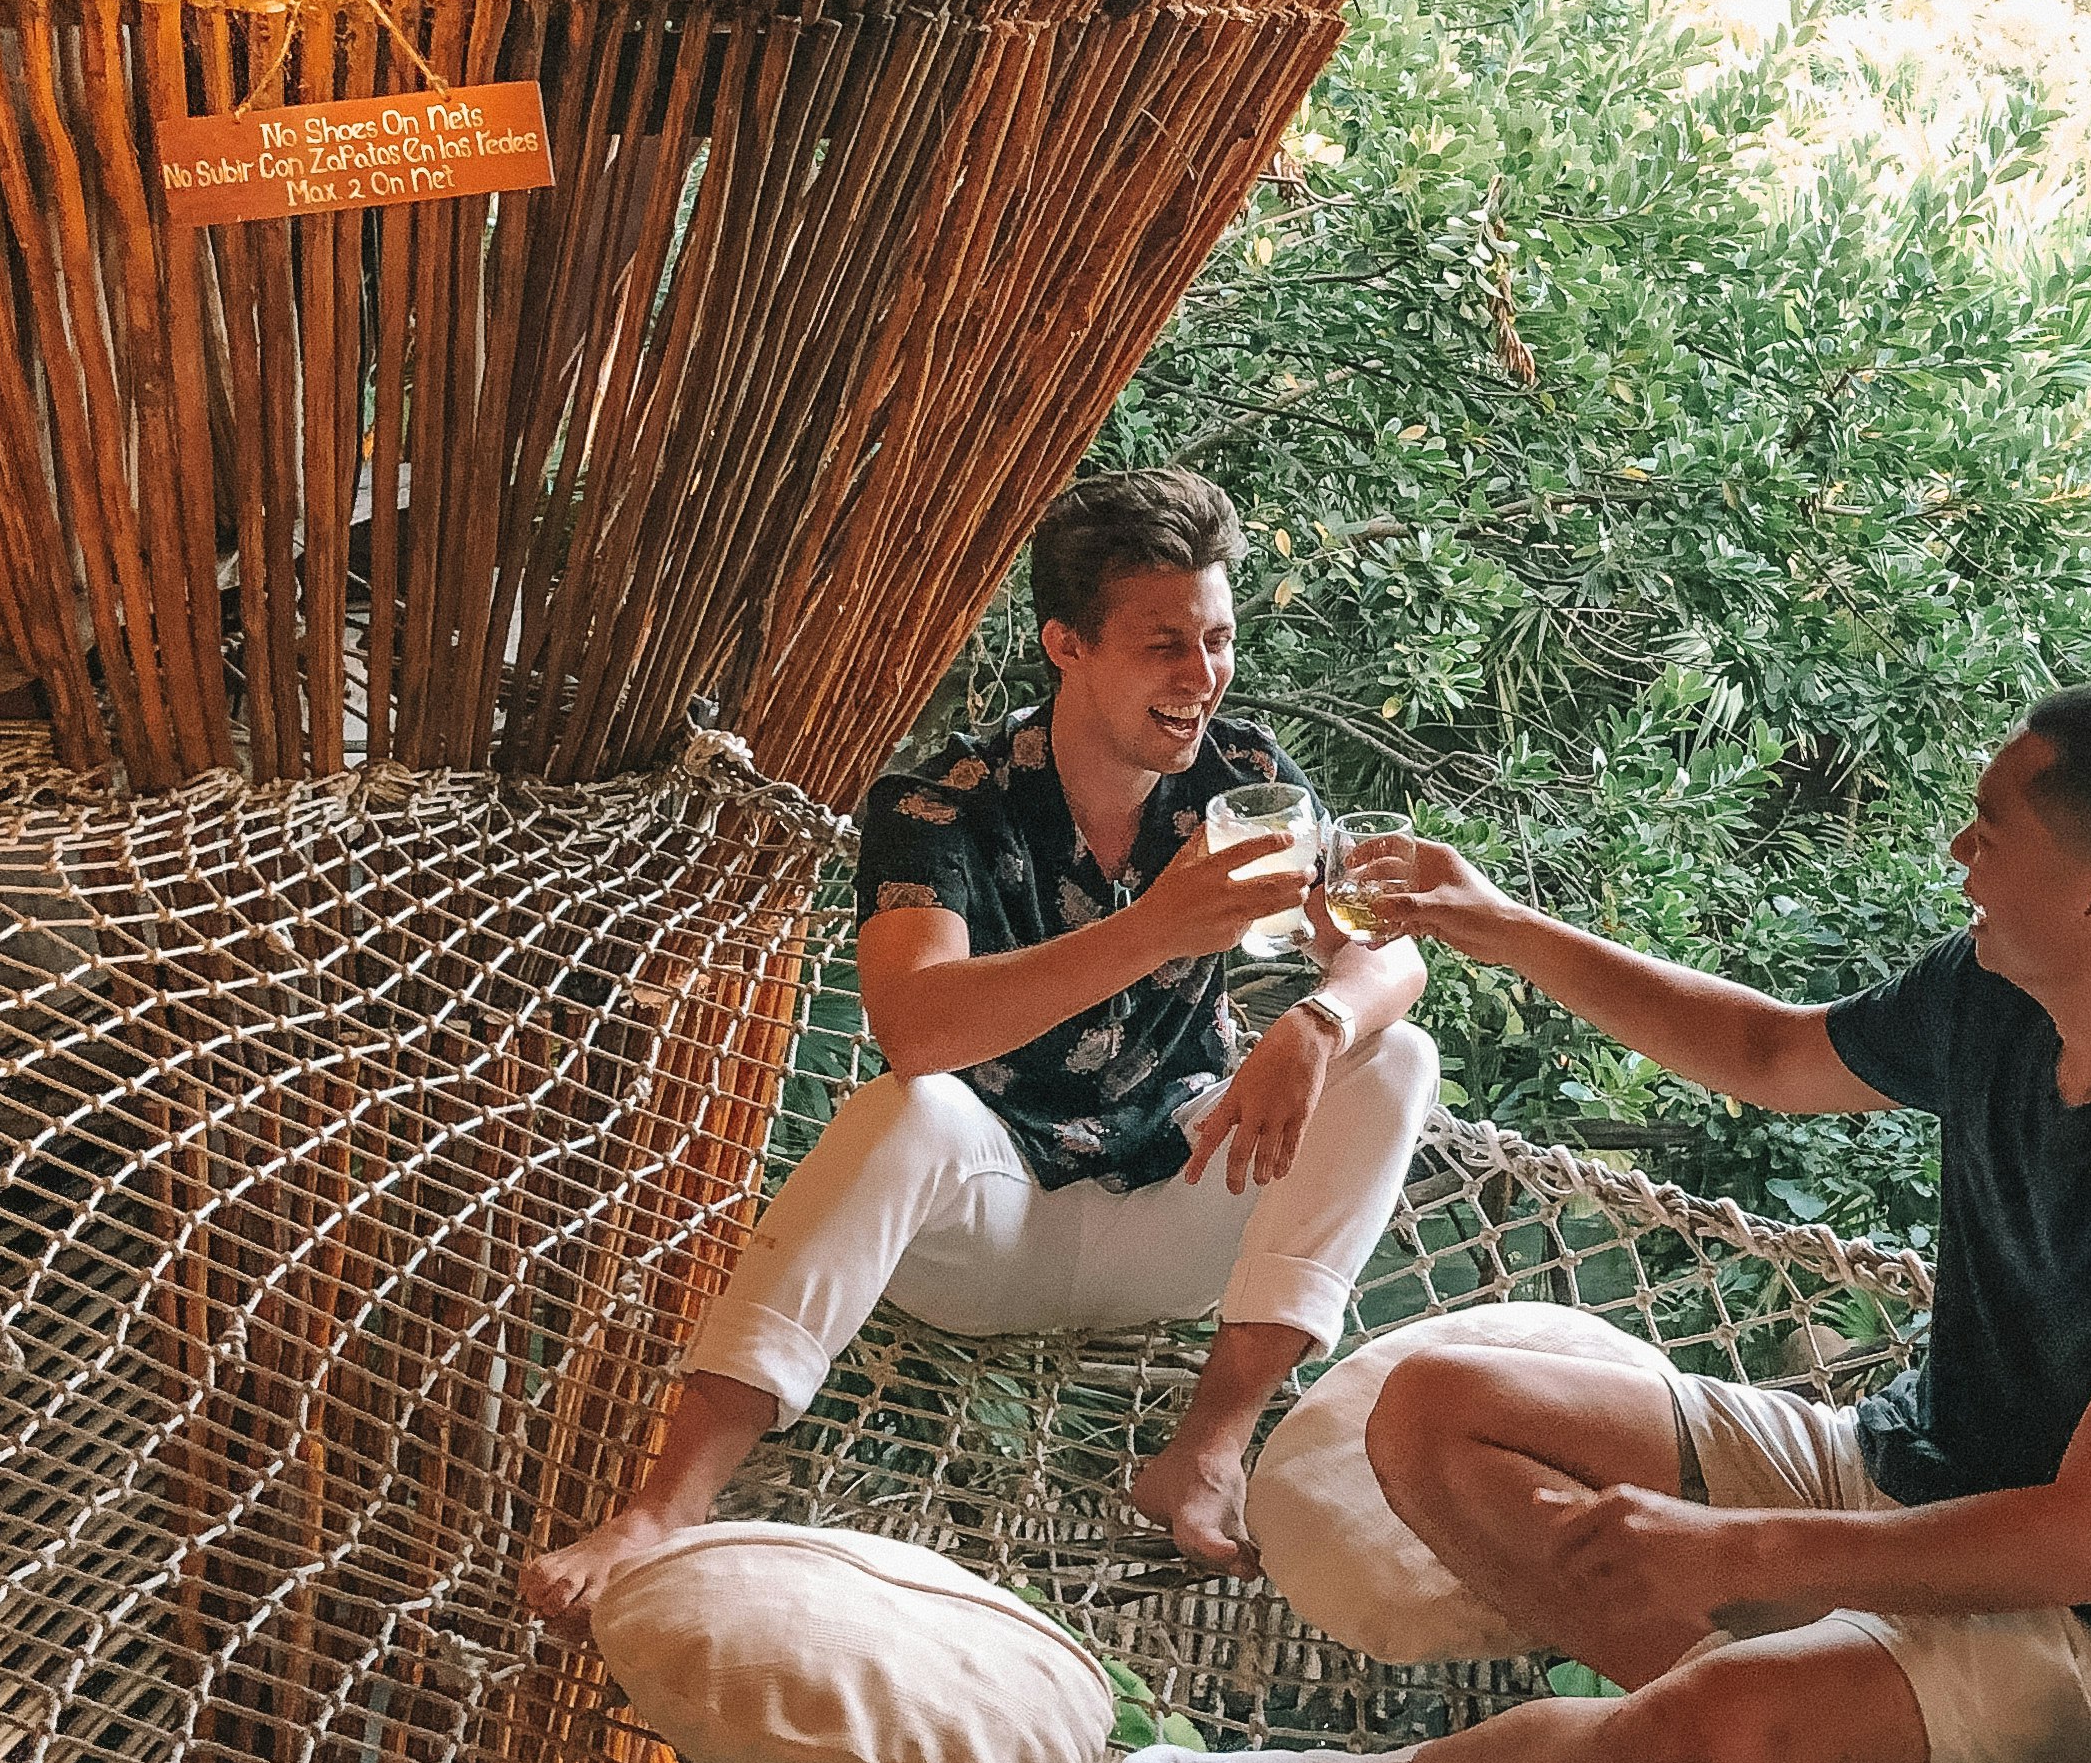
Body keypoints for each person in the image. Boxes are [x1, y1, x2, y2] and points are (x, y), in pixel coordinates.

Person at [1104, 683, 2091, 1763]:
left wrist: (1741, 1552)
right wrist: (1506, 928)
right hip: (1901, 1466)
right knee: (1437, 1408)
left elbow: (2084, 1543)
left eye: (1991, 828)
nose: (1959, 852)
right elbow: (1771, 1057)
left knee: (1687, 1736)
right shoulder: (2000, 994)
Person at [524, 469, 1434, 1622]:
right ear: (1066, 643)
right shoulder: (944, 800)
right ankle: (666, 1504)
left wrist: (1316, 1019)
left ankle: (1207, 1445)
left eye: (1217, 641)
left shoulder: (1242, 779)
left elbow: (1390, 953)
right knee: (908, 1111)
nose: (1200, 680)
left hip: (1179, 1207)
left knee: (1396, 1057)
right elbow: (917, 1027)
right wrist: (1152, 928)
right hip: (987, 1231)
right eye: (1165, 645)